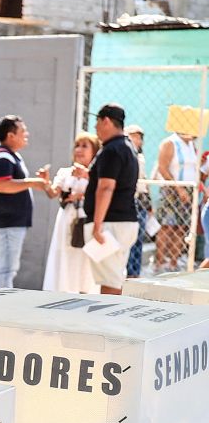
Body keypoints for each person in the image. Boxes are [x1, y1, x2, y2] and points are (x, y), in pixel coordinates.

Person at [0, 115, 53, 290]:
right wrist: (33, 183)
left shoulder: (9, 156)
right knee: (6, 270)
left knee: (0, 266)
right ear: (11, 135)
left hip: (7, 222)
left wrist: (36, 182)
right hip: (7, 222)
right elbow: (2, 185)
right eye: (23, 131)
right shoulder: (2, 158)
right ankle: (0, 309)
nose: (26, 134)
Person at [83, 104, 140, 295]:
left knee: (110, 282)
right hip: (123, 222)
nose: (95, 128)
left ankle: (109, 323)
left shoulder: (112, 149)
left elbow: (106, 187)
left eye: (97, 122)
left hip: (110, 224)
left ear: (105, 120)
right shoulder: (127, 146)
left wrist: (97, 226)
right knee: (114, 277)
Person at [42, 132, 99, 294]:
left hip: (86, 219)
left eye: (84, 146)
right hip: (66, 220)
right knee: (66, 255)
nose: (79, 150)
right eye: (77, 146)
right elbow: (53, 193)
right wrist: (46, 182)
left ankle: (85, 292)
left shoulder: (96, 175)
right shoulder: (64, 172)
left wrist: (82, 190)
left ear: (94, 151)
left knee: (85, 258)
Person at [154, 123, 199, 272]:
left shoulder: (192, 144)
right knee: (167, 227)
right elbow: (163, 167)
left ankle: (174, 262)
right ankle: (159, 263)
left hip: (188, 190)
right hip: (171, 191)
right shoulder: (170, 142)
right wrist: (178, 188)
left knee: (181, 228)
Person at [124, 124, 149, 279]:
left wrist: (149, 203)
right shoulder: (127, 156)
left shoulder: (141, 157)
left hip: (140, 200)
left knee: (139, 239)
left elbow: (144, 181)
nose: (137, 139)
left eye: (139, 137)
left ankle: (135, 272)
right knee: (129, 240)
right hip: (129, 200)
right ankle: (128, 272)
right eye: (134, 135)